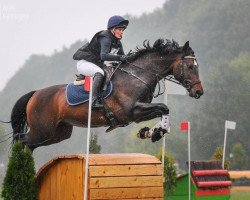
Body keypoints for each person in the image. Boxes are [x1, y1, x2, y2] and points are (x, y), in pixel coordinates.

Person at [73, 15, 136, 109]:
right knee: (100, 73)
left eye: (123, 30)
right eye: (120, 29)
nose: (122, 32)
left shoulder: (117, 42)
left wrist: (131, 58)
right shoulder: (105, 37)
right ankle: (93, 102)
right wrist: (121, 57)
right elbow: (104, 55)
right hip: (84, 63)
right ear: (113, 29)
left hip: (93, 64)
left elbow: (123, 58)